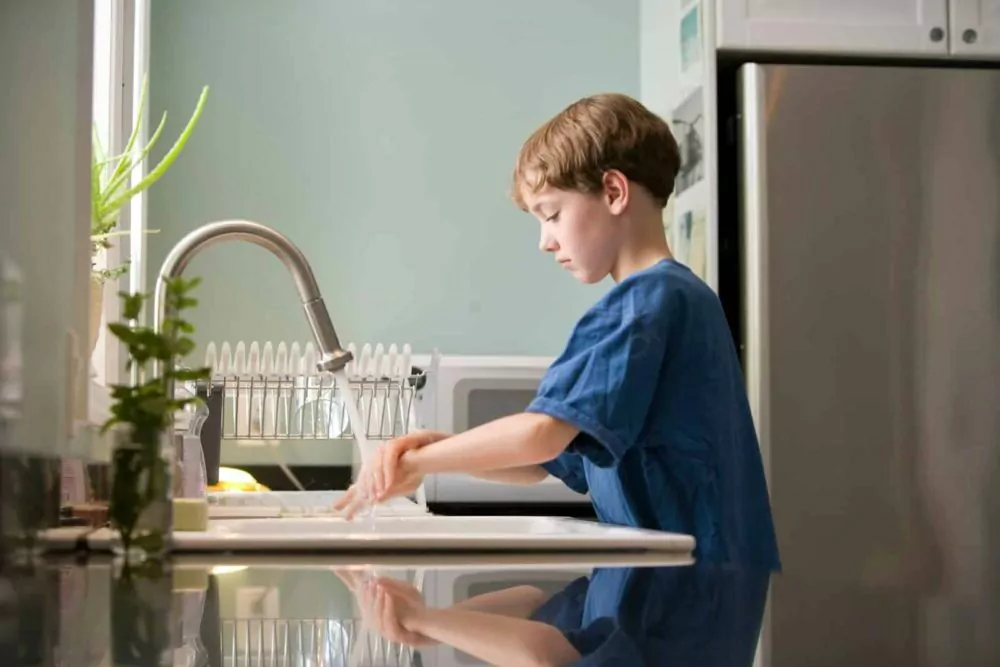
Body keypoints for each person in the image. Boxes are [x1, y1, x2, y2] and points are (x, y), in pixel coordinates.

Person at [335, 92, 780, 568]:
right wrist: (435, 445)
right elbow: (543, 461)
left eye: (551, 214)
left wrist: (416, 465)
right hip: (703, 586)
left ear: (613, 192)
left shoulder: (642, 302)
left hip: (680, 593)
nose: (545, 242)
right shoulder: (681, 297)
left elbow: (542, 435)